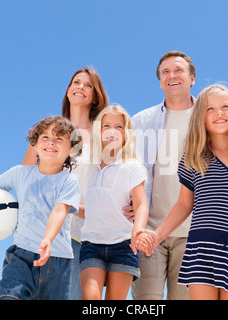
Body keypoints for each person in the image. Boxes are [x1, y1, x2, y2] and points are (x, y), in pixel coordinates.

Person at [136, 84, 228, 300]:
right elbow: (184, 204)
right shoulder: (194, 157)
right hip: (200, 250)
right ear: (200, 117)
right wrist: (157, 235)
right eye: (210, 109)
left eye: (225, 106)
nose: (219, 113)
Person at [0, 116, 82, 300]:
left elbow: (59, 210)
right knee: (9, 297)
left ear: (71, 149)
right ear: (35, 145)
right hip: (21, 256)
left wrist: (47, 239)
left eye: (59, 139)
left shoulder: (69, 181)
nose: (51, 142)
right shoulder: (19, 173)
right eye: (45, 137)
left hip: (59, 260)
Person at [22, 68, 108, 300]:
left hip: (82, 237)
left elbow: (114, 187)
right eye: (76, 82)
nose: (80, 87)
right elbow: (26, 180)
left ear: (96, 96)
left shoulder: (103, 138)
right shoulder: (46, 131)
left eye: (88, 85)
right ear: (68, 90)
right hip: (41, 233)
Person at [129, 51, 196, 300]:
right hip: (150, 233)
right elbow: (125, 169)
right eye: (165, 72)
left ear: (192, 78)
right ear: (160, 82)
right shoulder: (140, 122)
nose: (172, 76)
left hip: (193, 234)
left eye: (178, 70)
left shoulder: (209, 119)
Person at [79, 105, 151, 300]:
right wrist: (68, 207)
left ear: (126, 134)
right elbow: (94, 209)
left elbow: (141, 205)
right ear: (99, 131)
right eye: (107, 125)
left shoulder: (132, 166)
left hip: (124, 245)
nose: (112, 131)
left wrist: (138, 230)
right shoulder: (90, 167)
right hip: (91, 244)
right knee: (90, 298)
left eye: (119, 127)